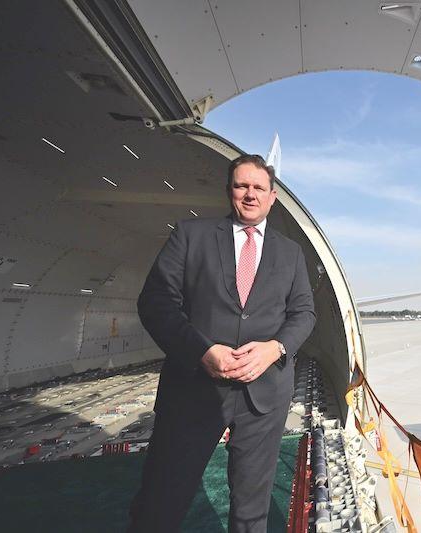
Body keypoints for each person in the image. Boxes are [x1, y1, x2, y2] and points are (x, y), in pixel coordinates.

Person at [128, 154, 316, 532]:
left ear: (273, 196)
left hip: (263, 396)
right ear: (229, 191)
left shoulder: (291, 253)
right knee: (162, 497)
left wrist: (274, 348)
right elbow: (156, 302)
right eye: (241, 185)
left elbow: (304, 314)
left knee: (251, 509)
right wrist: (201, 351)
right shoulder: (190, 235)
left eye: (258, 187)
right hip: (194, 389)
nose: (250, 194)